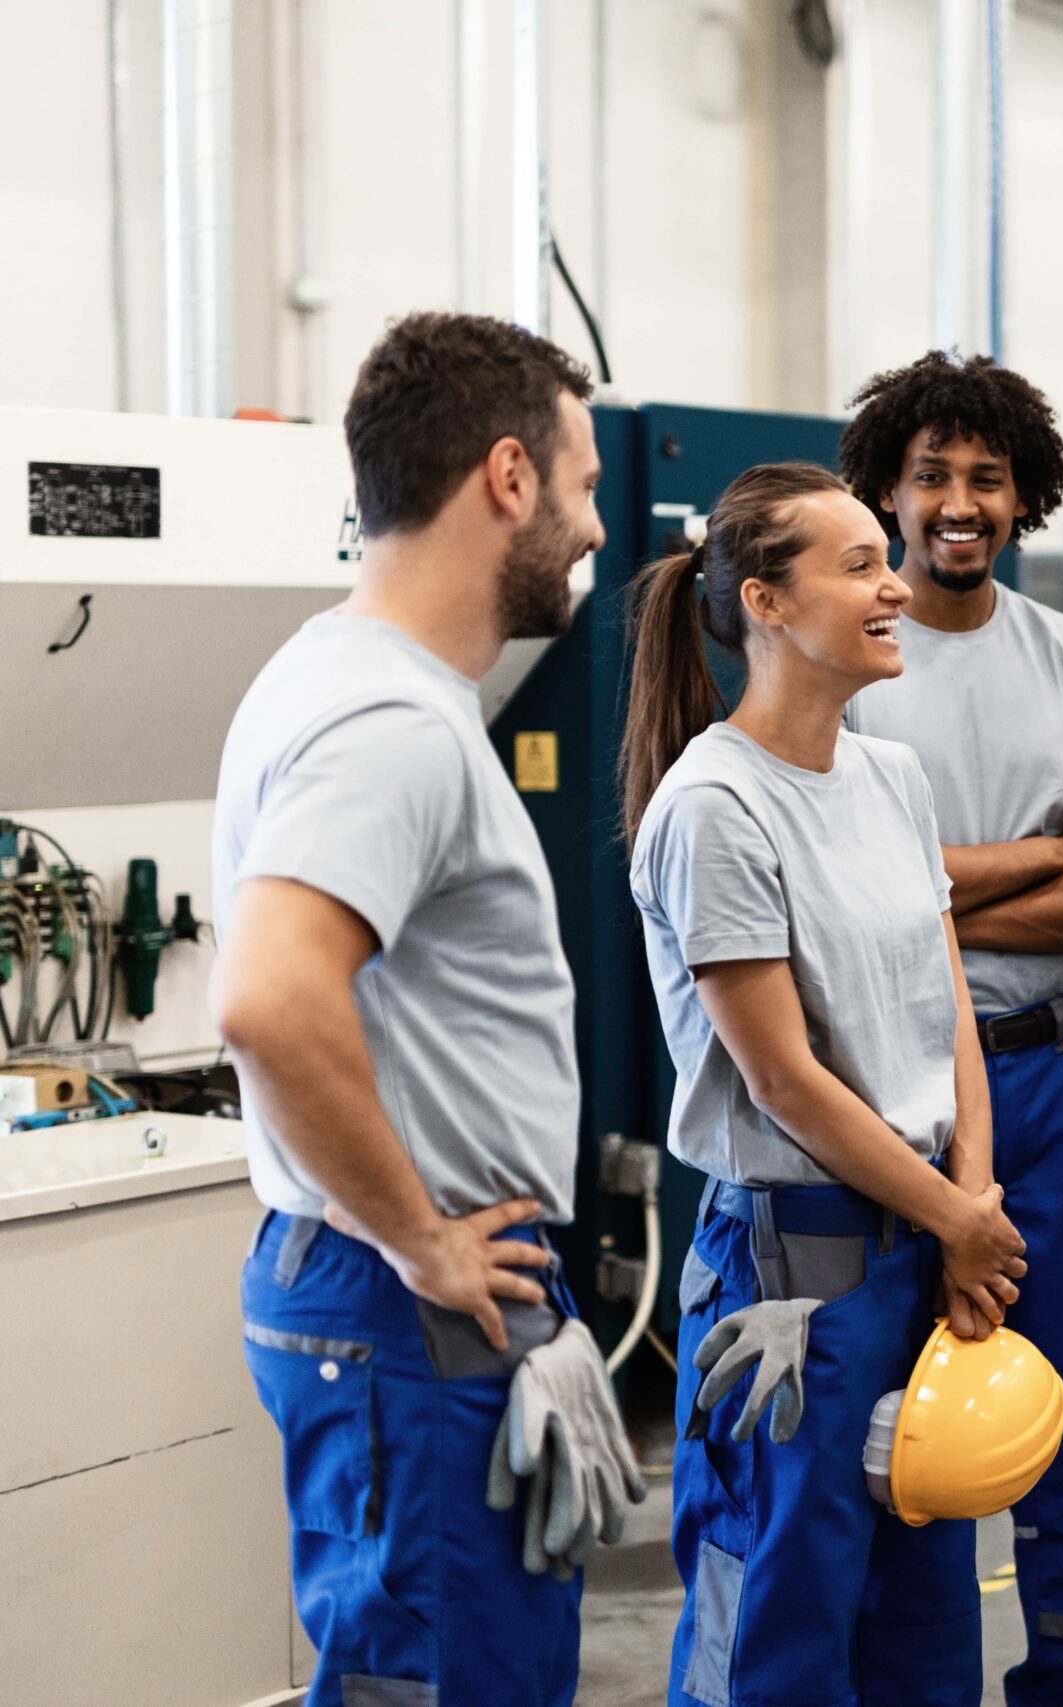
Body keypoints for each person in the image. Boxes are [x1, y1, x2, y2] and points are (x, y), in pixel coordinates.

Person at [211, 311, 642, 1707]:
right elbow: (270, 997)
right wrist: (422, 1239)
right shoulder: (390, 721)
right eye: (582, 484)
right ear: (508, 476)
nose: (594, 526)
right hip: (404, 1306)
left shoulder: (342, 675)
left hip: (395, 1298)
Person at [620, 462, 1028, 1707]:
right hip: (794, 1268)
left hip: (922, 1242)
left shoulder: (891, 777)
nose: (895, 585)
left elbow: (948, 1012)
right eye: (859, 566)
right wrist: (953, 1216)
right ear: (766, 603)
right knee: (781, 1621)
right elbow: (783, 1080)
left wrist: (967, 1202)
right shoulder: (714, 808)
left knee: (923, 1621)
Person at [838, 351, 1063, 1707]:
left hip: (1058, 1084)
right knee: (891, 1427)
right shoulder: (844, 652)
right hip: (887, 1097)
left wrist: (923, 883)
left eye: (987, 477)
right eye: (933, 475)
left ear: (1025, 496)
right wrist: (1038, 853)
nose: (960, 502)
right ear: (888, 490)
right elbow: (836, 894)